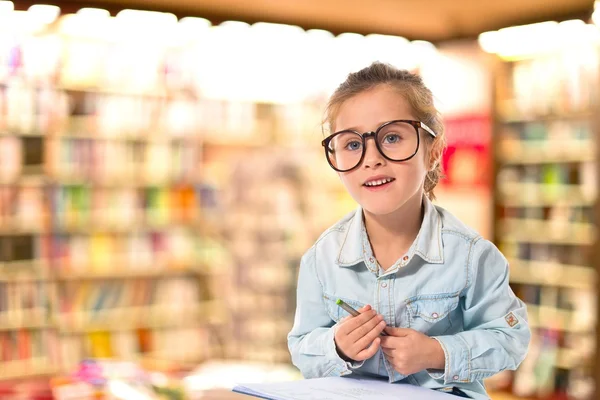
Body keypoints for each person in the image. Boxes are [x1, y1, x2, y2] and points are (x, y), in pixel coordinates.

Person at [287, 62, 530, 399]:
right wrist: (337, 346)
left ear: (432, 151)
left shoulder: (471, 255)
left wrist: (436, 352)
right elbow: (302, 345)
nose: (372, 159)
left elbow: (510, 338)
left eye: (392, 137)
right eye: (352, 144)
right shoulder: (321, 259)